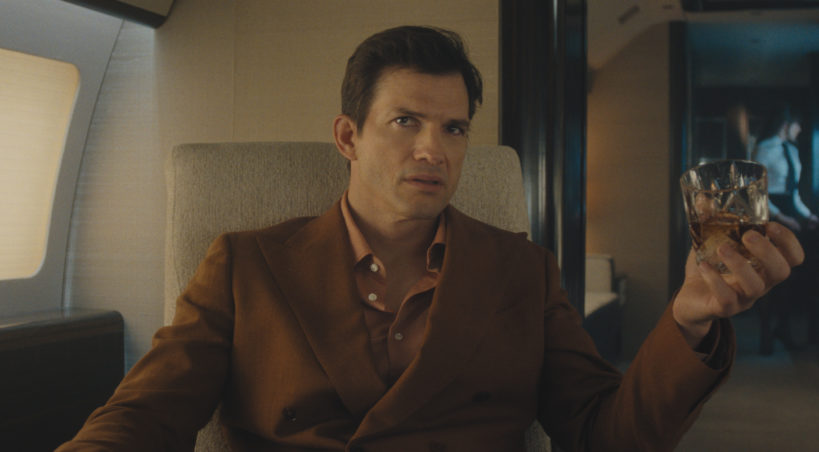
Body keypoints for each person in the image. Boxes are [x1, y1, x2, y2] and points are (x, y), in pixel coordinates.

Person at [58, 26, 804, 452]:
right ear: (347, 137)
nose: (433, 150)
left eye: (453, 128)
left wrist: (687, 319)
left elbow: (604, 434)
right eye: (405, 121)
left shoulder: (521, 270)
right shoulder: (245, 264)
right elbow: (144, 415)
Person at [754, 106, 817, 352]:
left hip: (790, 211)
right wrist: (781, 217)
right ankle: (767, 332)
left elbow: (794, 193)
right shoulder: (764, 149)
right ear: (786, 124)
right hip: (773, 214)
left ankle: (783, 328)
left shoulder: (791, 150)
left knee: (793, 274)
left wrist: (808, 216)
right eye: (797, 125)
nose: (799, 130)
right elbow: (759, 192)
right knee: (774, 274)